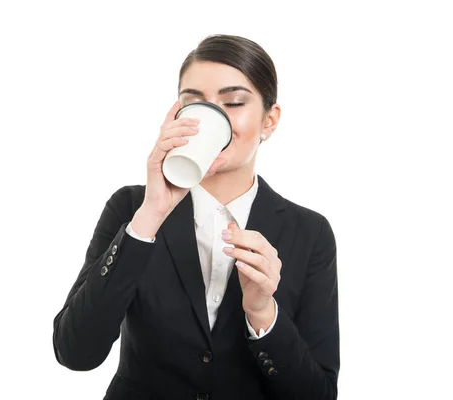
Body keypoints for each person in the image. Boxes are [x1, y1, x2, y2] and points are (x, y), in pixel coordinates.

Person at [52, 34, 339, 400]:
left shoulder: (309, 232)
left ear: (269, 121)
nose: (211, 119)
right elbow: (75, 353)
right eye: (194, 104)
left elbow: (318, 394)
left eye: (233, 102)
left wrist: (263, 313)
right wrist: (151, 215)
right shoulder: (130, 209)